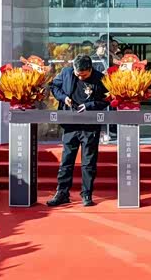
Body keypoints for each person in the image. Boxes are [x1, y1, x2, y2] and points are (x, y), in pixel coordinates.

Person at [47, 54, 109, 207]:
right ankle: (62, 193)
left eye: (84, 75)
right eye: (78, 74)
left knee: (88, 162)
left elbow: (107, 99)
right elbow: (54, 86)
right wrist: (64, 98)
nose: (80, 77)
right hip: (70, 124)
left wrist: (89, 106)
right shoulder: (66, 73)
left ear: (90, 69)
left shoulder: (100, 78)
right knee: (66, 160)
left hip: (90, 126)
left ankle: (86, 194)